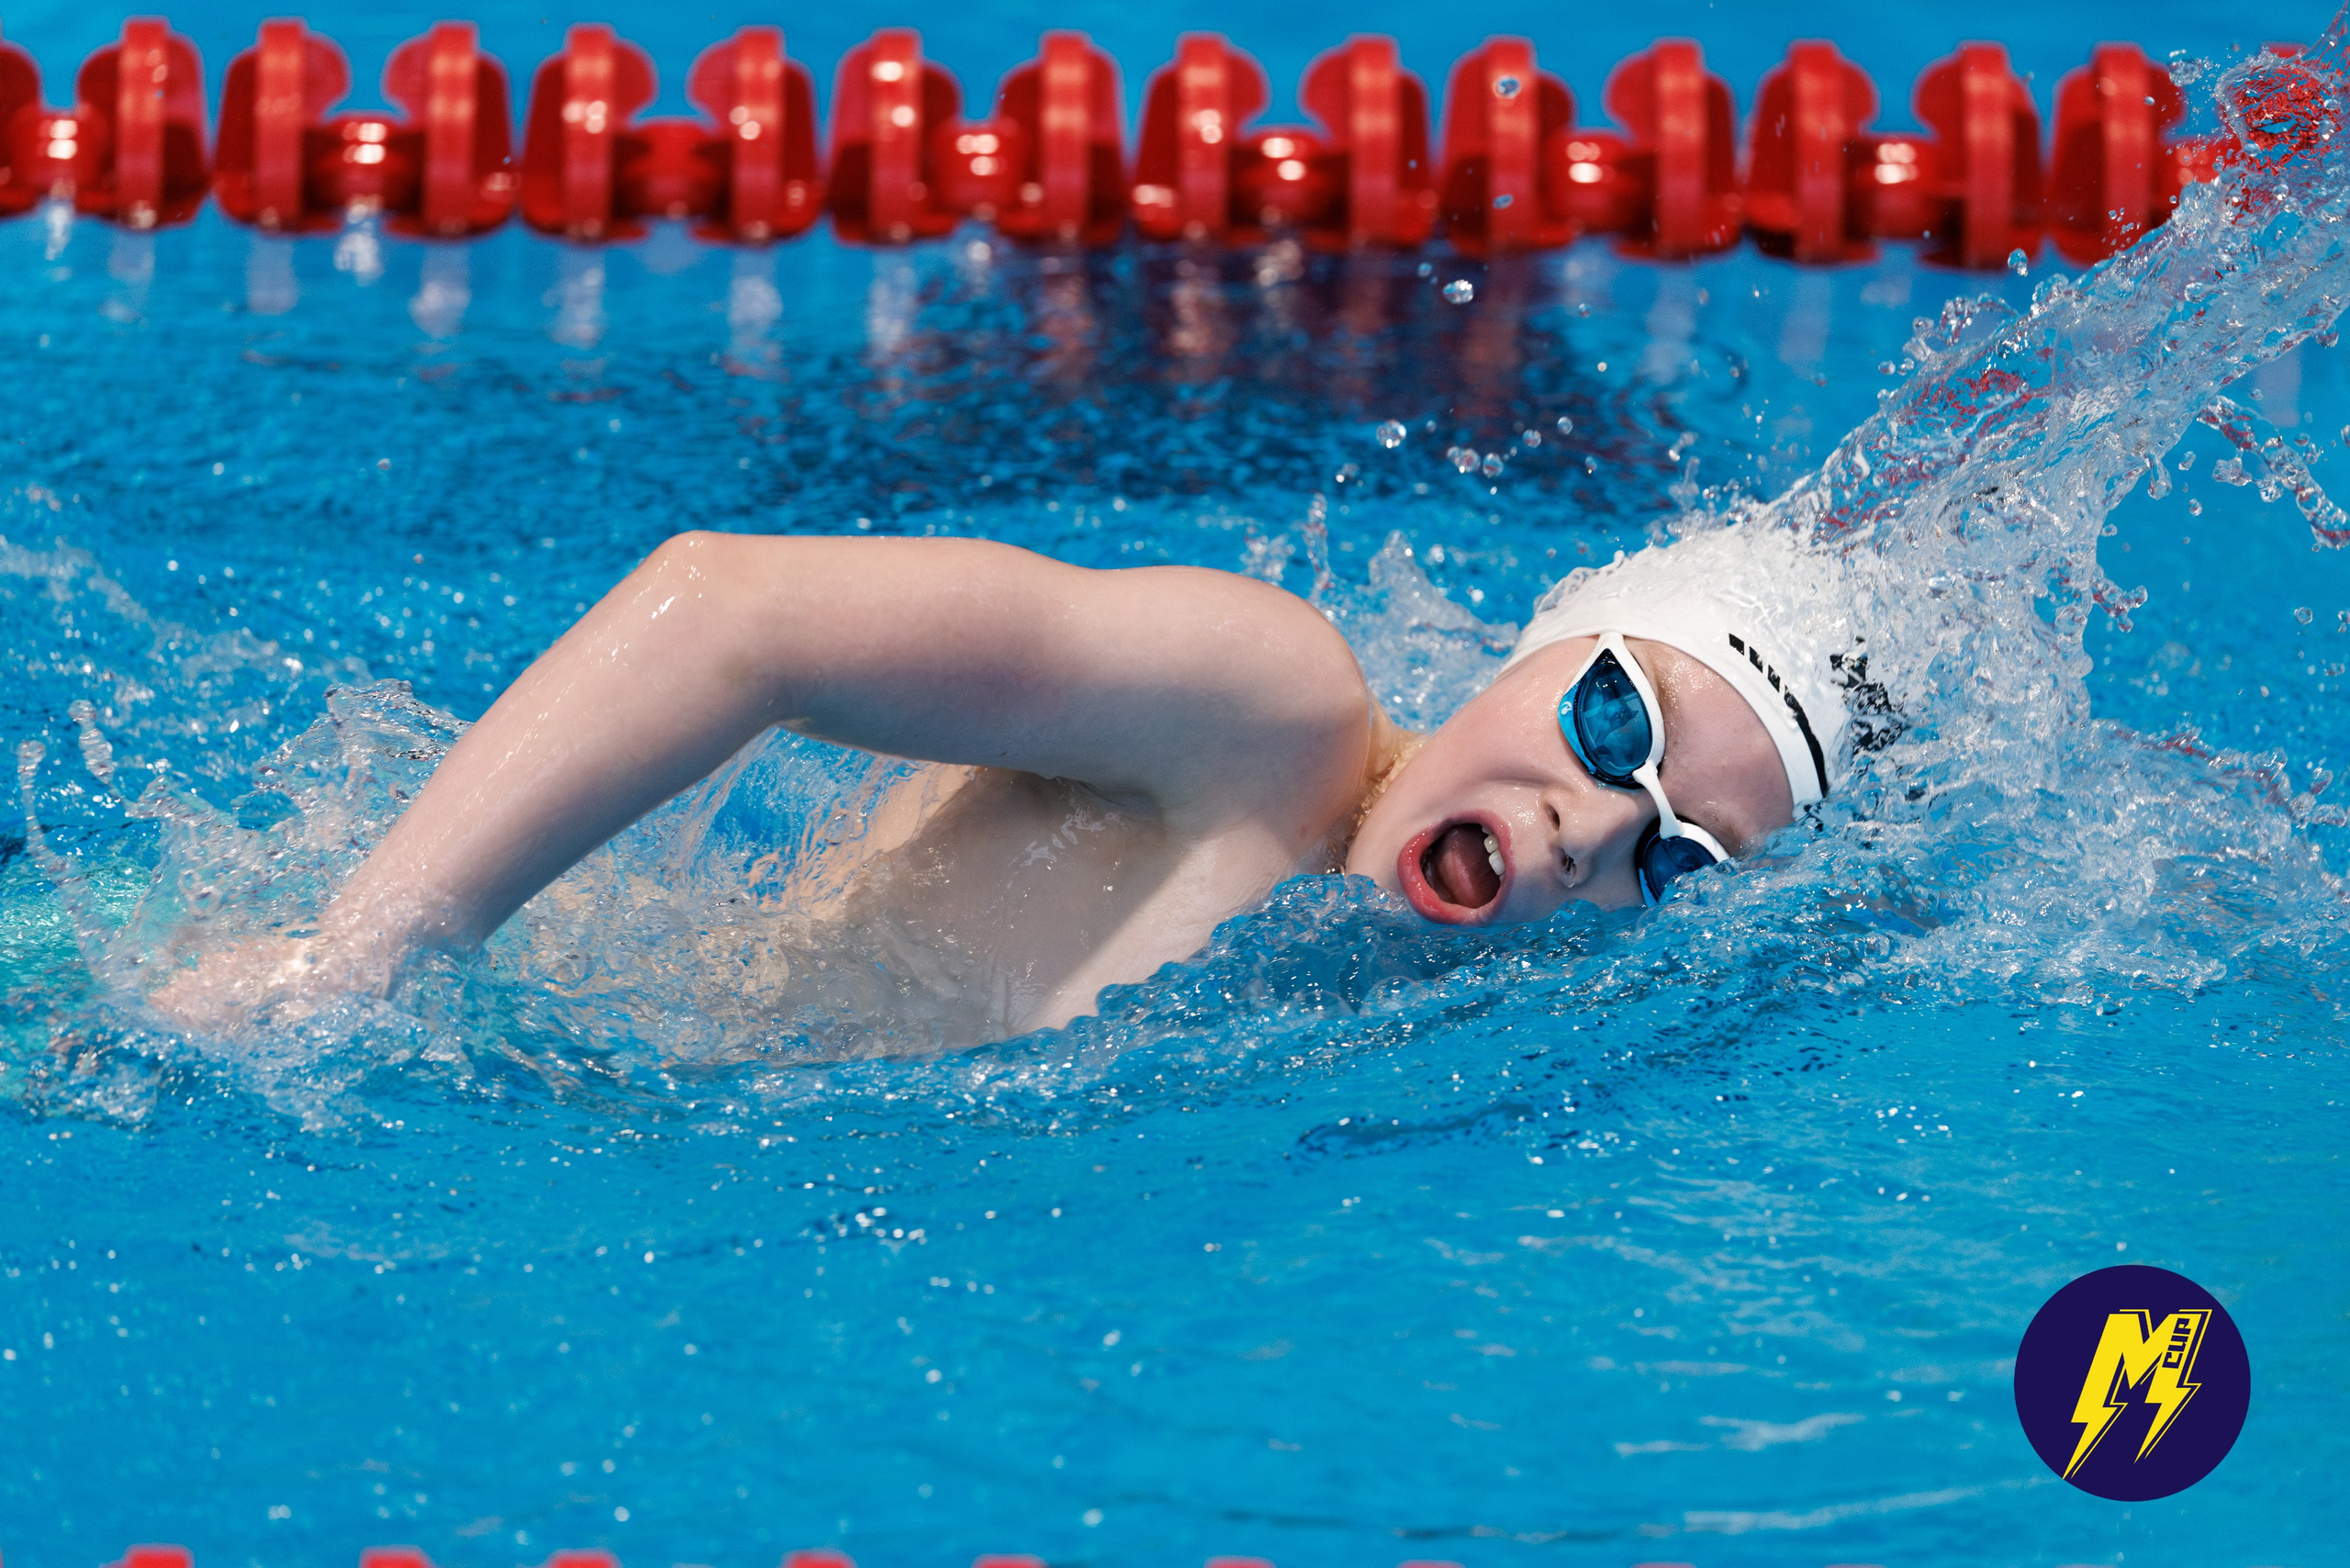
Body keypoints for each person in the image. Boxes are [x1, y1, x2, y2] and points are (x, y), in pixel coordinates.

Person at [153, 522, 1852, 1038]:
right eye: (1615, 727)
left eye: (1676, 856)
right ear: (1534, 650)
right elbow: (733, 613)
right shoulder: (1263, 712)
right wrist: (357, 960)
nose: (1592, 827)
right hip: (353, 1014)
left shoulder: (1426, 1017)